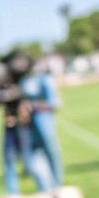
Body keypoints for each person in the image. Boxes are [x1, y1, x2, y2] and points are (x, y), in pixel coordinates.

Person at [0, 51, 56, 195]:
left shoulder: (27, 78)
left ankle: (48, 189)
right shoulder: (4, 81)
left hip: (27, 125)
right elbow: (0, 99)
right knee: (10, 158)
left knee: (34, 158)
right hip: (12, 123)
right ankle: (13, 192)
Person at [19, 54, 65, 186]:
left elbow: (55, 104)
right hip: (29, 126)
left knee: (52, 152)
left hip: (44, 122)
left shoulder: (45, 79)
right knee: (33, 157)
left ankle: (58, 184)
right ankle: (44, 186)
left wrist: (34, 106)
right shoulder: (24, 81)